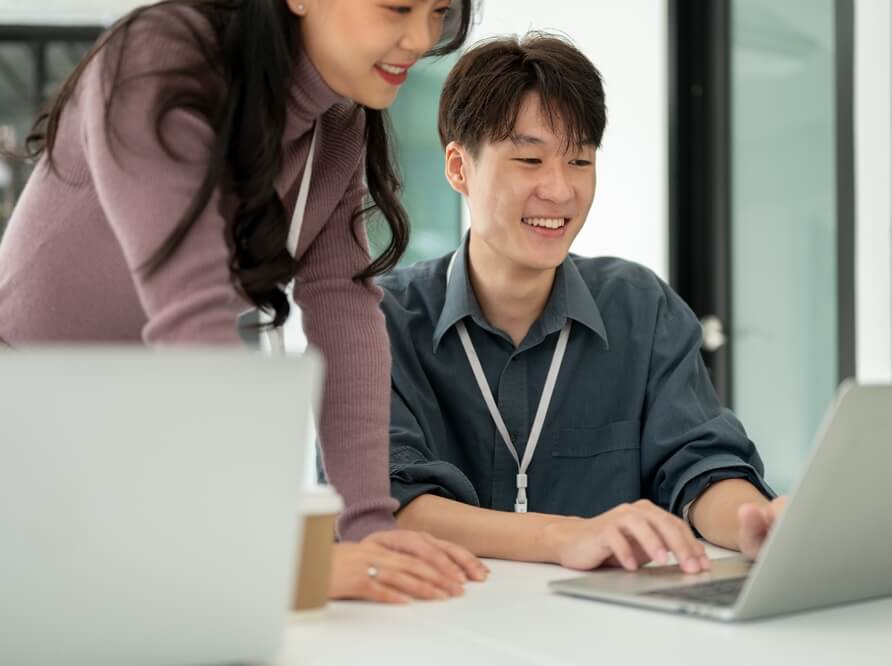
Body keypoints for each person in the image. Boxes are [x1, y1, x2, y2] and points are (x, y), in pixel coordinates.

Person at [0, 0, 488, 604]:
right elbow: (194, 314)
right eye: (397, 7)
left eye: (439, 10)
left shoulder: (338, 123)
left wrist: (367, 527)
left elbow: (345, 310)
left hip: (129, 436)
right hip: (22, 430)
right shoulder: (162, 57)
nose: (421, 38)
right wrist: (268, 554)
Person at [379, 33, 786, 574]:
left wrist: (755, 522)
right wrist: (564, 535)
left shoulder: (640, 307)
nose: (559, 190)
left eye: (579, 160)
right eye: (529, 159)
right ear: (459, 167)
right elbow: (385, 503)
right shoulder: (383, 320)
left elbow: (703, 464)